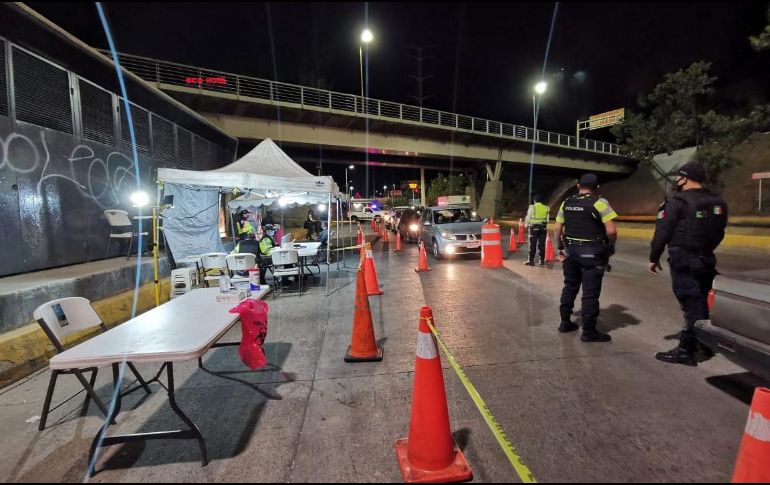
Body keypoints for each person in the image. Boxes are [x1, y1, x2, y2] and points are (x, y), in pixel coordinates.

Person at [649, 161, 727, 365]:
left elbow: (662, 232)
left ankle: (686, 350)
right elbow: (719, 232)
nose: (676, 180)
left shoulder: (677, 201)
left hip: (684, 260)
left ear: (684, 177)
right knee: (701, 301)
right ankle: (704, 343)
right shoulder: (717, 201)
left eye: (678, 176)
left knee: (691, 304)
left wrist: (653, 257)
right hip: (706, 258)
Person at [554, 174, 618, 342]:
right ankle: (589, 332)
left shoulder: (566, 203)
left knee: (569, 287)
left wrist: (560, 247)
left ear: (578, 186)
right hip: (593, 253)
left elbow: (557, 228)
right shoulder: (600, 203)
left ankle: (565, 322)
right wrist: (610, 247)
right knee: (590, 292)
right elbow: (611, 231)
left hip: (571, 251)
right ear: (597, 188)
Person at [523, 193, 550, 266]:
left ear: (534, 200)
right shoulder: (546, 208)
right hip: (543, 228)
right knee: (542, 244)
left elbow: (528, 217)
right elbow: (547, 219)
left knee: (532, 244)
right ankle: (541, 261)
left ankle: (531, 261)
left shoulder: (532, 207)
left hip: (533, 227)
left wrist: (526, 225)